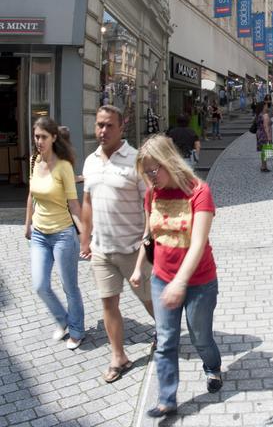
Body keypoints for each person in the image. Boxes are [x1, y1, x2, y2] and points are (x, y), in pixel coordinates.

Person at [134, 135, 222, 418]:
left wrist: (180, 282)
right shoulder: (152, 194)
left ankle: (212, 367)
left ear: (168, 161)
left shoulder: (199, 191)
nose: (149, 178)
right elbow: (149, 235)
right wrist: (138, 268)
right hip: (162, 278)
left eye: (152, 170)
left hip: (200, 282)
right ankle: (166, 398)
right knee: (166, 339)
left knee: (201, 338)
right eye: (145, 173)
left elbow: (198, 243)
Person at [80, 105, 155, 382]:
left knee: (150, 301)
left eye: (109, 125)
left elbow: (150, 205)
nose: (103, 130)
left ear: (122, 126)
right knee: (108, 303)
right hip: (102, 250)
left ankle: (168, 334)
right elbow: (87, 203)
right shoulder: (90, 161)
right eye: (99, 124)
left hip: (133, 249)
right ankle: (118, 356)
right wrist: (85, 239)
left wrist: (147, 241)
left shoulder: (136, 160)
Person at [24, 117, 86, 350]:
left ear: (54, 138)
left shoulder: (64, 167)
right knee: (40, 285)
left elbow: (74, 205)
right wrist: (27, 223)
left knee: (70, 287)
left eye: (43, 137)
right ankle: (63, 320)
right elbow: (31, 195)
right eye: (36, 136)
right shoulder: (33, 161)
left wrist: (84, 235)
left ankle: (77, 330)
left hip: (62, 235)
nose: (38, 141)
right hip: (39, 234)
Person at [255, 101, 273, 173]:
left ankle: (264, 166)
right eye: (266, 106)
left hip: (259, 133)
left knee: (263, 151)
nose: (267, 107)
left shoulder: (259, 114)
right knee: (265, 151)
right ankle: (264, 166)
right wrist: (269, 138)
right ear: (263, 107)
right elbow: (266, 127)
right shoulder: (265, 115)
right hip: (264, 134)